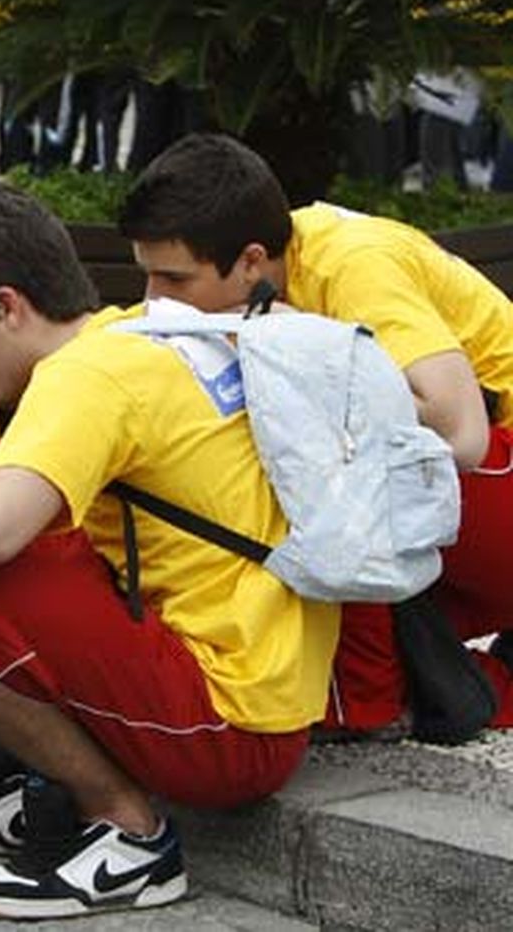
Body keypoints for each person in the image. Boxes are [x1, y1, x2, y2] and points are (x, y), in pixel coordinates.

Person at [0, 183, 337, 919]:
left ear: (8, 306)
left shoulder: (82, 380)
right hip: (266, 699)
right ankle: (45, 792)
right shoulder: (131, 335)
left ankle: (130, 835)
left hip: (226, 726)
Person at [117, 132, 513, 735]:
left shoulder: (350, 265)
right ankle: (406, 684)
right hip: (471, 514)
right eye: (148, 278)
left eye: (175, 280)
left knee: (319, 441)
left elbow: (464, 433)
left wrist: (304, 344)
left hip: (491, 459)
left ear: (252, 261)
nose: (156, 301)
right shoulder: (257, 266)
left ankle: (366, 700)